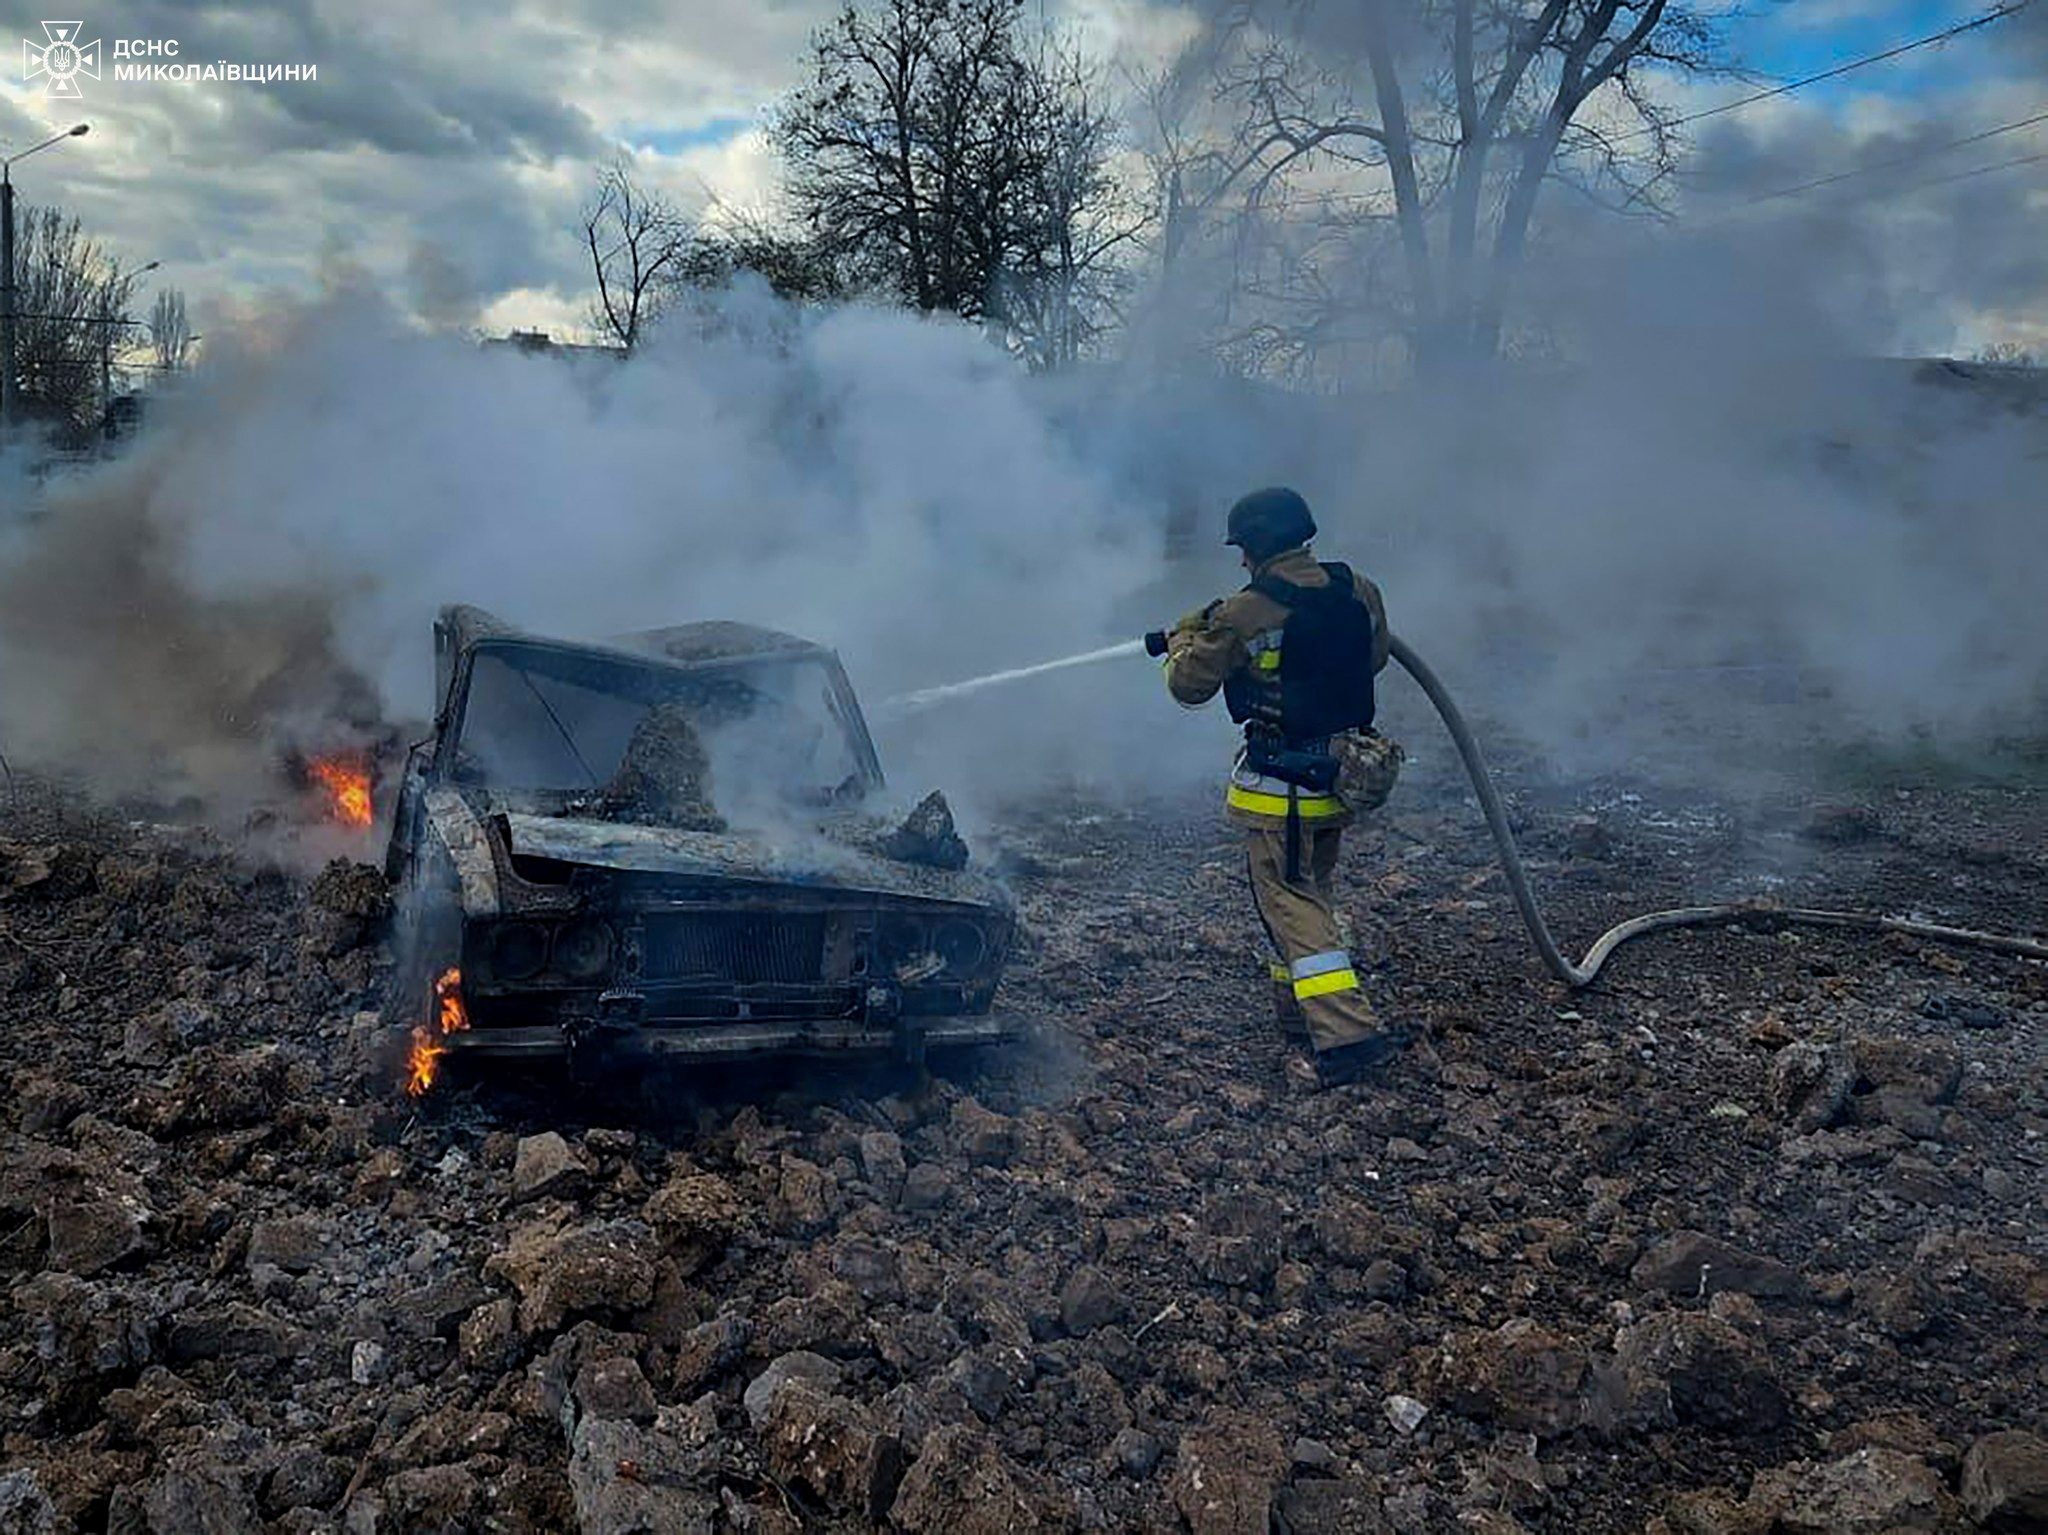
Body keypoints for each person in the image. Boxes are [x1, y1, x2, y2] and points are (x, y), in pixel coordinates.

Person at [1155, 486, 1405, 1087]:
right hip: (1340, 777)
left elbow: (1188, 687)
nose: (1240, 561)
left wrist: (1185, 642)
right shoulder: (1356, 587)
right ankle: (1297, 1014)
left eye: (1243, 549)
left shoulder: (1247, 611)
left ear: (1260, 546)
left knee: (1291, 900)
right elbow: (1374, 659)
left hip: (1281, 790)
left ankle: (1348, 1037)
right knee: (1304, 894)